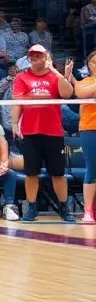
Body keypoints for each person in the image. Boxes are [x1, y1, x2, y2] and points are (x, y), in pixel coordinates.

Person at [11, 44, 75, 222]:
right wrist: (15, 123)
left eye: (38, 56)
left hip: (54, 131)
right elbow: (17, 102)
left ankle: (64, 208)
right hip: (30, 132)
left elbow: (67, 94)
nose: (34, 58)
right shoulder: (21, 77)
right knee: (31, 173)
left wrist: (55, 70)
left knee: (58, 173)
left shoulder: (54, 76)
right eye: (32, 55)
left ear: (47, 57)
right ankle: (32, 208)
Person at [71, 48, 96, 224]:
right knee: (92, 169)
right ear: (88, 65)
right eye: (94, 61)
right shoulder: (84, 82)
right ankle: (88, 211)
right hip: (90, 129)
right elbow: (82, 93)